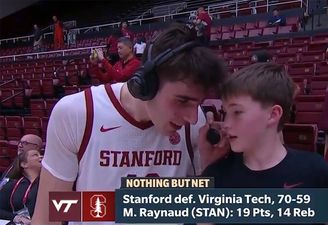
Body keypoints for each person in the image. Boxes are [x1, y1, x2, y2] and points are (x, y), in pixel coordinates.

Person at [32, 23, 228, 225]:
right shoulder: (77, 112)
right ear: (148, 83)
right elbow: (48, 216)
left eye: (198, 103)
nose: (192, 117)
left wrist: (209, 169)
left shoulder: (196, 125)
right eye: (182, 100)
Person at [201, 63, 328, 225]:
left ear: (273, 114)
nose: (226, 123)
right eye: (225, 113)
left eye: (237, 112)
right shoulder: (216, 175)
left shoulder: (315, 170)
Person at [0, 149, 42, 224]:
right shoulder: (11, 185)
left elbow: (63, 211)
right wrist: (15, 217)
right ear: (24, 164)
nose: (41, 157)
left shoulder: (52, 184)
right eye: (35, 155)